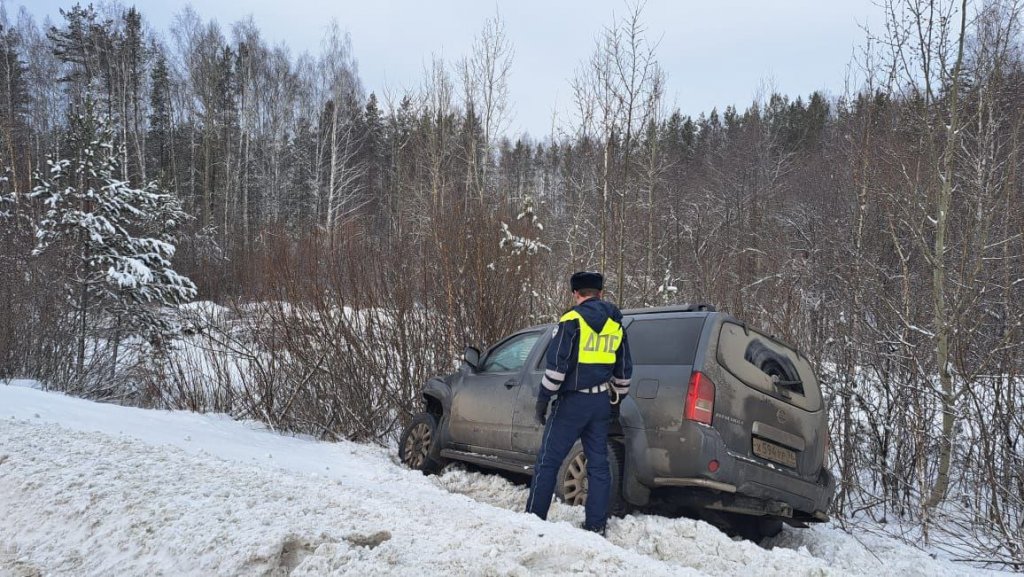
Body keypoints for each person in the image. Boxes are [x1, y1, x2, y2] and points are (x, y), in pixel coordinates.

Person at [525, 271, 632, 535]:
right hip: (600, 403)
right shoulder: (616, 324)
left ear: (576, 294)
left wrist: (543, 398)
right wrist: (616, 403)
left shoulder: (571, 321)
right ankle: (596, 525)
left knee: (548, 462)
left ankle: (533, 520)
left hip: (572, 403)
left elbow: (557, 370)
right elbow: (624, 370)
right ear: (600, 293)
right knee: (598, 465)